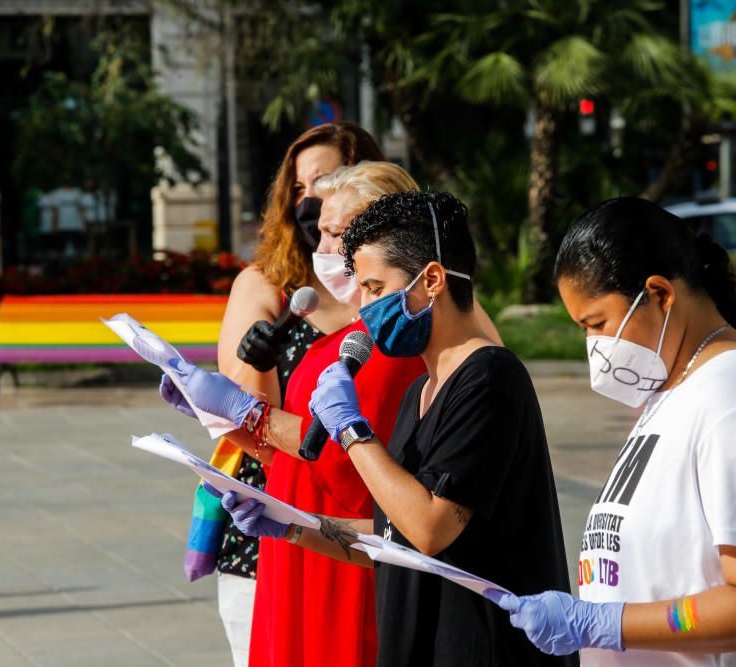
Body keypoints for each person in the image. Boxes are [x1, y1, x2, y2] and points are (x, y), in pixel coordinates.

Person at [212, 191, 574, 667]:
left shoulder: (488, 379)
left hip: (481, 648)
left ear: (432, 280)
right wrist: (292, 525)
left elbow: (429, 528)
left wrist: (350, 431)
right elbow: (393, 536)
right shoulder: (421, 390)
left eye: (376, 288)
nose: (363, 308)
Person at [156, 165, 501, 667]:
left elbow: (346, 462)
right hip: (302, 541)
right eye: (323, 230)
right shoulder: (358, 334)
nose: (326, 246)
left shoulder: (393, 341)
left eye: (340, 233)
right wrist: (217, 415)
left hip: (345, 558)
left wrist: (245, 413)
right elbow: (303, 453)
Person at [495, 197, 736, 665]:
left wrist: (608, 625)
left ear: (659, 294)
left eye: (598, 324)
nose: (595, 346)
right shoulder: (673, 392)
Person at [208, 122, 384, 667]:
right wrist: (256, 369)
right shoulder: (270, 285)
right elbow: (242, 423)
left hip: (369, 529)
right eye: (302, 188)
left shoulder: (399, 304)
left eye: (327, 180)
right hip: (276, 527)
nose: (313, 201)